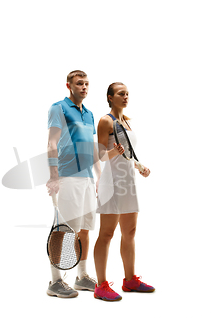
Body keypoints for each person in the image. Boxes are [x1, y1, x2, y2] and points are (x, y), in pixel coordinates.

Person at [93, 82, 155, 302]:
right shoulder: (105, 121)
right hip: (112, 184)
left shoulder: (127, 122)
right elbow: (99, 156)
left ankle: (129, 280)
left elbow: (128, 153)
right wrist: (112, 152)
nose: (126, 97)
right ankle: (100, 286)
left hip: (128, 182)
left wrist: (140, 167)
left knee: (130, 232)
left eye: (127, 93)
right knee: (107, 234)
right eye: (121, 94)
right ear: (110, 97)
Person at [45, 70, 100, 298]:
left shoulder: (89, 114)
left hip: (87, 178)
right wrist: (53, 175)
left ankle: (82, 276)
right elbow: (51, 142)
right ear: (69, 85)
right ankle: (55, 281)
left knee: (85, 230)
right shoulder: (58, 108)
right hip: (68, 176)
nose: (84, 87)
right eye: (79, 84)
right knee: (64, 231)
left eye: (86, 84)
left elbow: (93, 147)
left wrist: (99, 177)